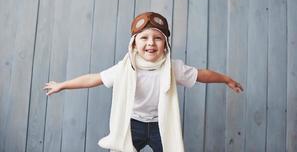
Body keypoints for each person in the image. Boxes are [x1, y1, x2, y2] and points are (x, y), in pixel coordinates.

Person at [43, 12, 243, 152]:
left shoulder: (171, 67)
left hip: (161, 124)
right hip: (133, 124)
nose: (150, 43)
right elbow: (94, 78)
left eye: (157, 38)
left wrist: (226, 79)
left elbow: (201, 75)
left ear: (165, 45)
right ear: (134, 43)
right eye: (144, 37)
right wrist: (63, 85)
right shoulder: (125, 68)